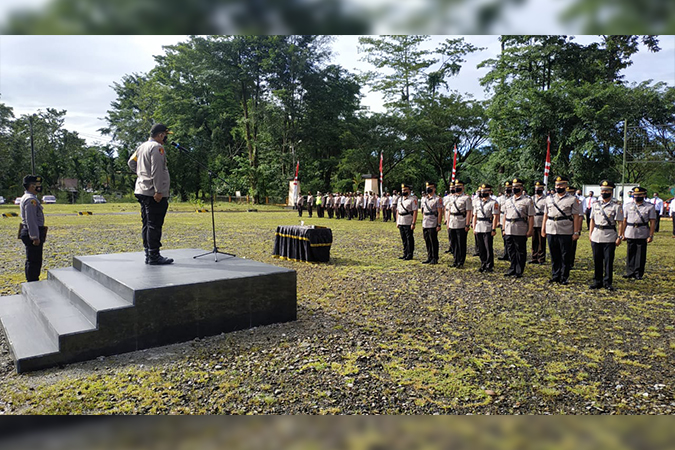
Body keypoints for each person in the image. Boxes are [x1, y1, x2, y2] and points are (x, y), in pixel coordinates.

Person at [128, 123, 174, 265]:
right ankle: (154, 255)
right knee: (154, 224)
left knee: (146, 223)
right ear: (160, 135)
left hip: (142, 190)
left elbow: (131, 162)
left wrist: (142, 174)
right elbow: (157, 171)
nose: (165, 138)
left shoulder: (141, 147)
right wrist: (158, 190)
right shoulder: (157, 148)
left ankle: (148, 253)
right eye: (165, 135)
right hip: (153, 192)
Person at [541, 177, 581, 284]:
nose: (558, 187)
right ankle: (555, 275)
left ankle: (564, 277)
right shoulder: (549, 198)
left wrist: (576, 232)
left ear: (566, 186)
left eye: (561, 185)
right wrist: (543, 228)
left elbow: (576, 217)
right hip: (551, 228)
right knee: (554, 254)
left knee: (565, 255)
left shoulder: (572, 199)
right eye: (557, 185)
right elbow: (545, 214)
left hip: (565, 229)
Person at [588, 181, 624, 291]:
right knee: (597, 259)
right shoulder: (595, 204)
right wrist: (590, 233)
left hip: (609, 235)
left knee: (608, 260)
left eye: (606, 191)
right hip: (597, 234)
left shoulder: (616, 206)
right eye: (602, 191)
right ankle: (597, 281)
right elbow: (592, 220)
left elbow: (620, 222)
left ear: (611, 192)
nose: (604, 193)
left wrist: (619, 236)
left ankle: (608, 282)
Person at [501, 178, 534, 278]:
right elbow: (505, 215)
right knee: (511, 250)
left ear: (521, 187)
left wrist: (530, 230)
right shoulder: (508, 201)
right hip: (508, 228)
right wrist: (503, 228)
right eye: (513, 187)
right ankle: (512, 268)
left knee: (520, 250)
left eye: (517, 187)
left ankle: (519, 270)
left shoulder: (527, 201)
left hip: (520, 228)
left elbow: (531, 217)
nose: (514, 189)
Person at [622, 186, 657, 280]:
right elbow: (624, 220)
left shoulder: (649, 207)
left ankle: (638, 273)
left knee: (640, 254)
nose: (637, 196)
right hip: (630, 231)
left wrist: (651, 235)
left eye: (639, 195)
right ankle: (630, 271)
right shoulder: (627, 206)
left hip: (642, 231)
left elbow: (652, 222)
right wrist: (622, 233)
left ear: (644, 195)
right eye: (635, 195)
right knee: (630, 252)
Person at [18, 175, 47, 281]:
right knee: (34, 260)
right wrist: (35, 236)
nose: (39, 187)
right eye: (37, 185)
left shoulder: (29, 198)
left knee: (32, 259)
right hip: (32, 232)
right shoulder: (30, 200)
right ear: (31, 186)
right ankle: (33, 282)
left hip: (30, 230)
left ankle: (32, 280)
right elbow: (31, 219)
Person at [472, 183, 500, 273]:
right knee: (480, 247)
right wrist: (474, 227)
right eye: (482, 191)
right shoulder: (477, 202)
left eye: (485, 191)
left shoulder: (493, 203)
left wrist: (493, 228)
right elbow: (475, 215)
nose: (483, 193)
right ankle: (483, 263)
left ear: (489, 192)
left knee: (488, 247)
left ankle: (489, 265)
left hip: (487, 226)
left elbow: (495, 216)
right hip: (479, 226)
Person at [445, 180, 473, 268]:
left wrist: (467, 224)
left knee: (461, 243)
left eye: (459, 186)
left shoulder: (466, 198)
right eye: (456, 186)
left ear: (463, 187)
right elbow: (449, 211)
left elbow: (469, 212)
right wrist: (448, 222)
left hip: (461, 222)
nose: (457, 188)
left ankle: (461, 261)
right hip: (452, 222)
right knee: (453, 242)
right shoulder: (451, 198)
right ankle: (455, 260)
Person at [420, 182, 443, 265]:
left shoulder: (437, 199)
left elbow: (440, 212)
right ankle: (429, 257)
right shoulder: (424, 199)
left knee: (433, 240)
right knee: (427, 240)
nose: (428, 189)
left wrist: (439, 224)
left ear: (434, 189)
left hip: (433, 222)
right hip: (425, 222)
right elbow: (423, 211)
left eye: (430, 187)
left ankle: (435, 257)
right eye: (427, 187)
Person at [396, 184, 418, 260]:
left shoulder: (412, 199)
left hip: (408, 220)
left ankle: (410, 254)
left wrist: (413, 223)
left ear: (409, 191)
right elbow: (398, 211)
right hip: (401, 220)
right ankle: (405, 253)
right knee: (403, 238)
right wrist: (397, 221)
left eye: (405, 190)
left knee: (409, 238)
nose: (403, 191)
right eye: (402, 190)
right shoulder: (400, 199)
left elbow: (415, 211)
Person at [566, 185, 583, 269]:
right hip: (565, 225)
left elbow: (580, 216)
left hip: (574, 224)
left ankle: (570, 262)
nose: (570, 194)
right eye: (568, 192)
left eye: (571, 192)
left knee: (572, 245)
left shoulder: (577, 201)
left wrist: (578, 229)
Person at [531, 181, 547, 264]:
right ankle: (534, 257)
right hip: (533, 221)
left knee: (541, 241)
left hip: (541, 221)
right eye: (536, 188)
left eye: (539, 188)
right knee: (534, 241)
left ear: (543, 189)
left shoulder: (546, 199)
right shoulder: (532, 198)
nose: (537, 190)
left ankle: (541, 258)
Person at [496, 181, 513, 261]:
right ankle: (506, 254)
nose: (507, 189)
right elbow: (498, 210)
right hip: (503, 218)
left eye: (509, 188)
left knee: (511, 238)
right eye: (506, 188)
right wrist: (498, 221)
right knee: (505, 238)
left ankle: (511, 255)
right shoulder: (500, 198)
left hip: (511, 218)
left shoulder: (514, 197)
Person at [443, 182, 456, 255]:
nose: (452, 188)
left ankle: (454, 247)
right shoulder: (446, 197)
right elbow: (445, 208)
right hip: (448, 214)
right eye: (451, 187)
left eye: (453, 187)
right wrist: (445, 217)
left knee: (454, 233)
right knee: (449, 233)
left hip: (454, 214)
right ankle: (451, 246)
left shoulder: (456, 197)